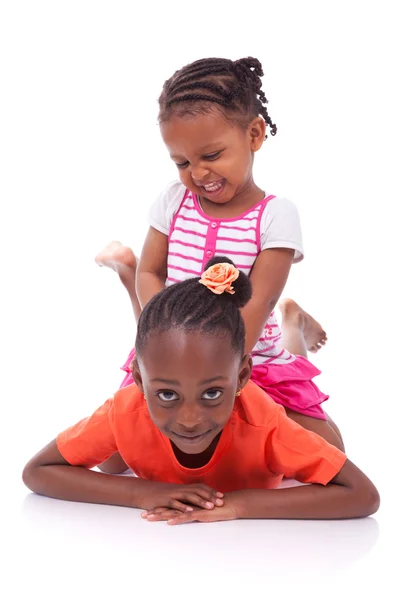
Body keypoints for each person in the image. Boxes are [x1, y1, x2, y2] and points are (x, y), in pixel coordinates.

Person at [96, 56, 339, 448]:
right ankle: (124, 272)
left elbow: (258, 300)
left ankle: (292, 325)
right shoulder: (174, 202)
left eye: (211, 156)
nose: (197, 173)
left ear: (255, 135)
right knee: (113, 454)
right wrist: (167, 348)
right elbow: (152, 273)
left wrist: (218, 375)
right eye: (182, 161)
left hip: (244, 356)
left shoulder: (275, 216)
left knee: (326, 449)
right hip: (173, 361)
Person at [22, 259, 379, 524]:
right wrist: (143, 493)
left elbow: (363, 495)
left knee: (317, 423)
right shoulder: (126, 409)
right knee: (111, 466)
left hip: (254, 396)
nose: (190, 420)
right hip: (166, 388)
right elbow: (36, 471)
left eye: (211, 394)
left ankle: (292, 323)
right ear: (138, 379)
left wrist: (239, 505)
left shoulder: (266, 425)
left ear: (241, 377)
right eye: (166, 395)